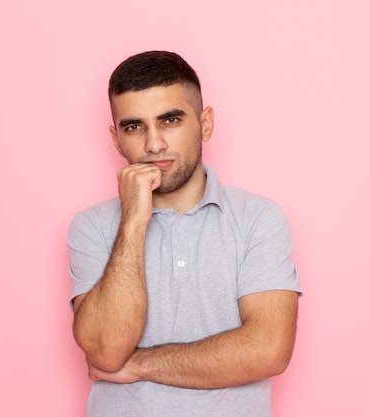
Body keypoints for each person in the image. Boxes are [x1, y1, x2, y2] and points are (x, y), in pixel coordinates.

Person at [68, 50, 301, 417]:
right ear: (116, 139)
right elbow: (107, 352)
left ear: (205, 123)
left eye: (170, 120)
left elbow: (269, 349)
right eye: (134, 126)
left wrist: (141, 364)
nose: (154, 144)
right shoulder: (92, 226)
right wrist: (132, 221)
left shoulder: (258, 218)